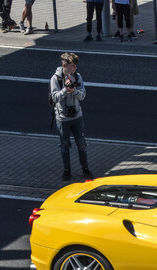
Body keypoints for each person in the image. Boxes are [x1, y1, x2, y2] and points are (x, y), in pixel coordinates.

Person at [50, 53, 93, 181]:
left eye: (75, 66)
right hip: (63, 118)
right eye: (72, 66)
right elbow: (55, 97)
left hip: (77, 116)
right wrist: (65, 90)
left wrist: (73, 90)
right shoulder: (55, 79)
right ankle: (67, 170)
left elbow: (83, 96)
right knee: (64, 146)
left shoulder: (78, 76)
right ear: (64, 65)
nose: (75, 68)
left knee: (82, 144)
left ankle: (85, 168)